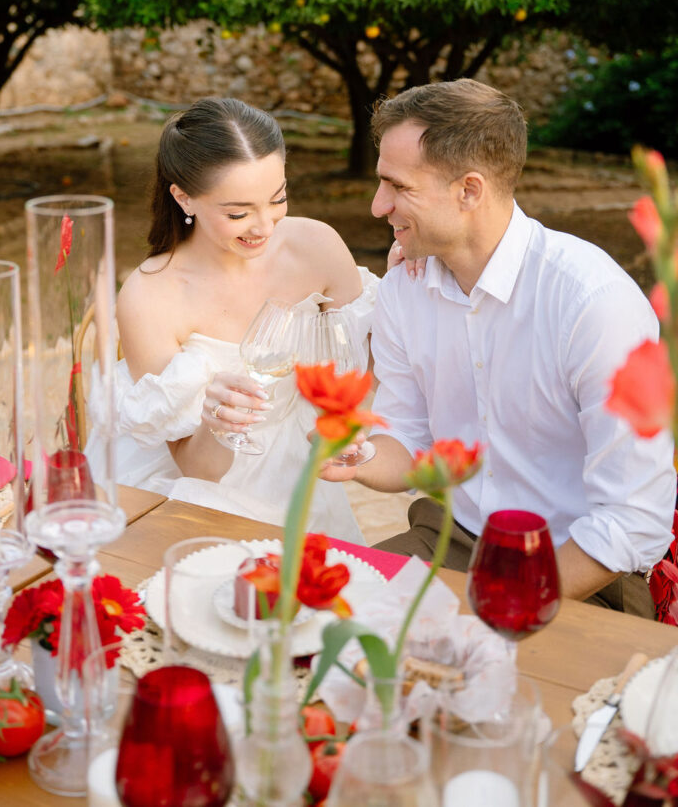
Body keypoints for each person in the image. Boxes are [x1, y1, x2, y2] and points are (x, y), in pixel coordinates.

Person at [322, 78, 675, 616]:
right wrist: (359, 453)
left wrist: (493, 607)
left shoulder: (593, 303)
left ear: (469, 190)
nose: (377, 206)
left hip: (581, 568)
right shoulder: (402, 291)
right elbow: (409, 440)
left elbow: (632, 520)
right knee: (318, 616)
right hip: (453, 537)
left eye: (398, 186)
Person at [88, 97, 377, 541]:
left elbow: (369, 363)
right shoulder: (152, 296)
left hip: (300, 472)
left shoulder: (316, 246)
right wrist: (215, 422)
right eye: (238, 213)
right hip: (198, 490)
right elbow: (197, 469)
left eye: (278, 199)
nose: (264, 226)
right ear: (183, 197)